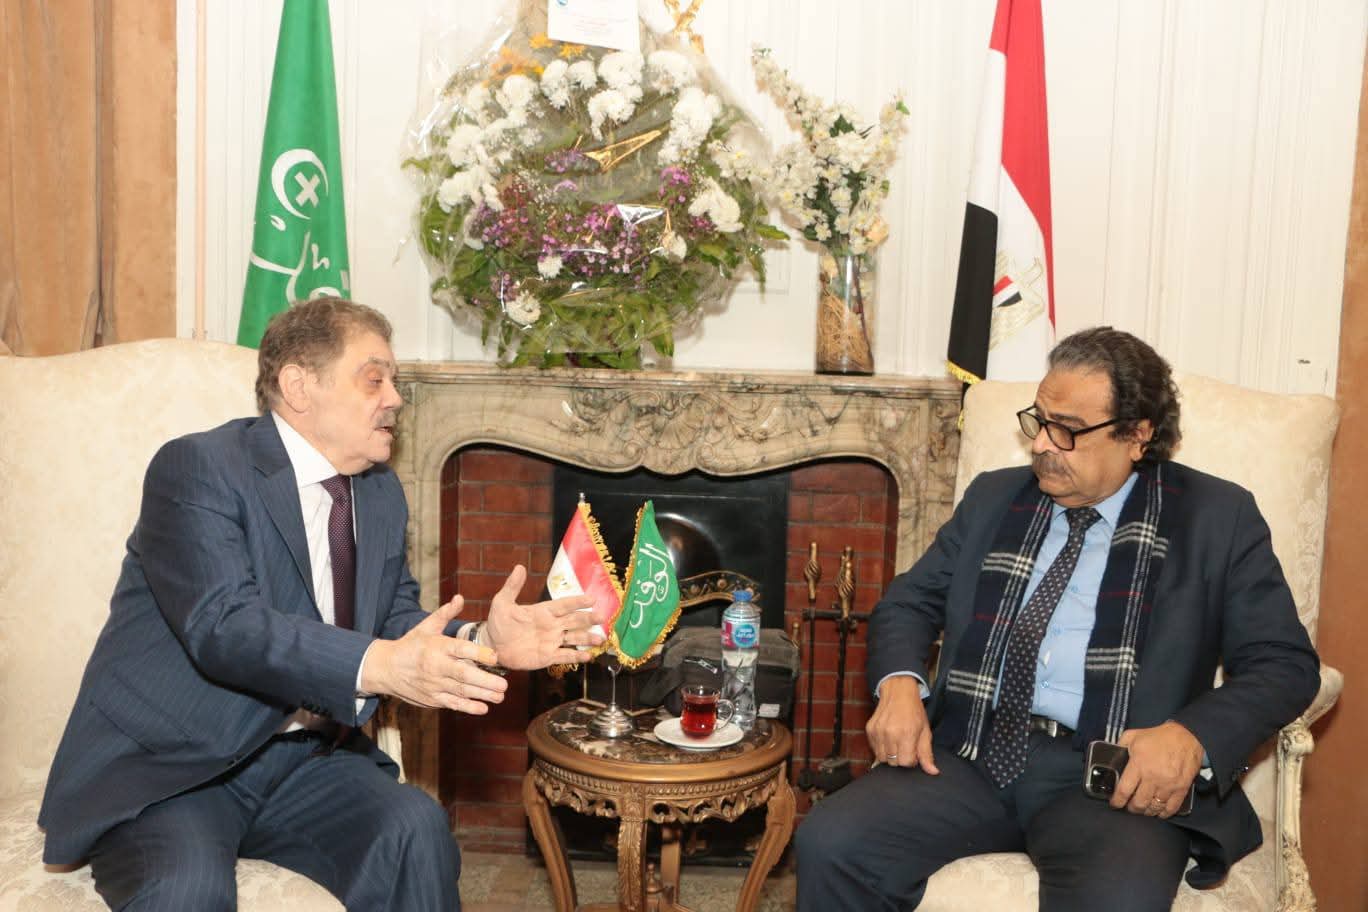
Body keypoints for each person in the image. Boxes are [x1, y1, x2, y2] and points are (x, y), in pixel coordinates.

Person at [38, 297, 606, 911]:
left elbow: (396, 622)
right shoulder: (200, 468)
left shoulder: (379, 493)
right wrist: (377, 665)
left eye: (394, 381)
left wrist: (484, 642)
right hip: (179, 768)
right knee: (186, 889)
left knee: (415, 830)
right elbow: (223, 626)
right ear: (298, 386)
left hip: (303, 763)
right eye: (374, 380)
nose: (395, 398)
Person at [795, 327, 1320, 911]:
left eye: (1067, 430)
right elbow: (908, 602)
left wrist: (1191, 737)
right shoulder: (995, 498)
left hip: (1110, 779)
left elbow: (1285, 665)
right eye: (1039, 421)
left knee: (1117, 900)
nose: (1043, 444)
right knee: (830, 843)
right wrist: (899, 685)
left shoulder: (1216, 518)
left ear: (1137, 435)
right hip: (970, 753)